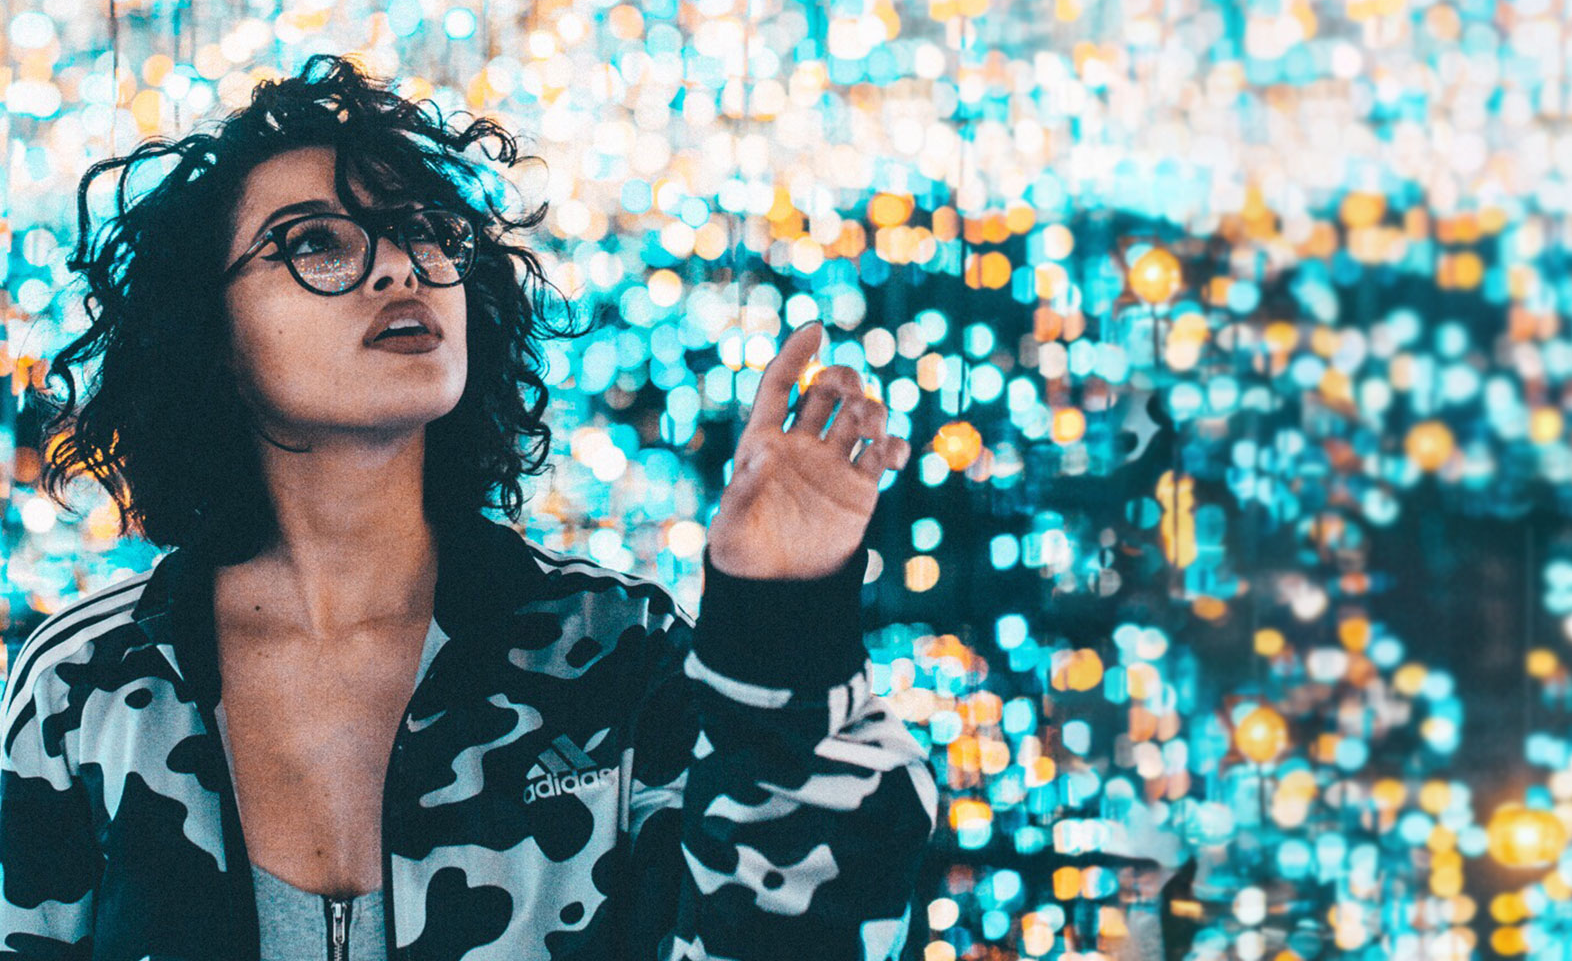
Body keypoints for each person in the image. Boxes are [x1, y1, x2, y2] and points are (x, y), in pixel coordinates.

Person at [0, 54, 937, 960]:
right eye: (314, 240)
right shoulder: (87, 691)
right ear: (210, 330)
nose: (398, 268)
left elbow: (805, 931)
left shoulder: (609, 653)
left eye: (427, 231)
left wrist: (781, 613)